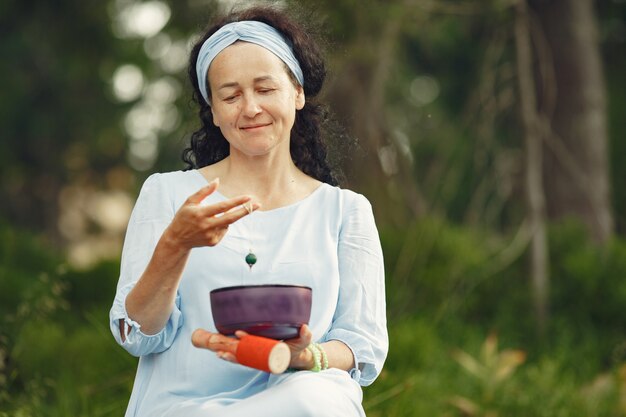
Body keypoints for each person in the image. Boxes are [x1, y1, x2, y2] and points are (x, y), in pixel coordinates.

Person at [109, 4, 388, 417]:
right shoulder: (168, 195)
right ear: (214, 112)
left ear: (297, 93)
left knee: (313, 397)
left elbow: (360, 344)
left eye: (265, 88)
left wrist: (304, 356)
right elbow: (140, 335)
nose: (251, 107)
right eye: (231, 95)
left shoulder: (346, 211)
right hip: (187, 408)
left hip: (303, 401)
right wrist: (175, 244)